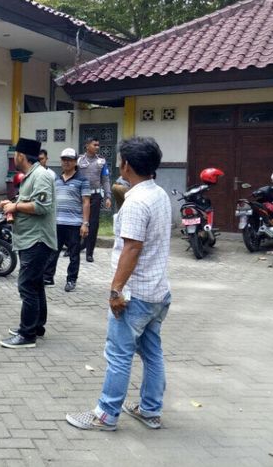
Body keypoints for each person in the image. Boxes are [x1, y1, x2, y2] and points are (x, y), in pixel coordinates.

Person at [66, 137, 171, 431]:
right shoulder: (159, 194)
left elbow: (132, 248)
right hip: (158, 292)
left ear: (127, 165)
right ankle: (150, 410)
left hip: (135, 295)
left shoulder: (137, 202)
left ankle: (106, 414)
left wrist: (116, 291)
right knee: (152, 352)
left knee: (119, 354)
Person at [0, 138, 57, 349]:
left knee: (27, 286)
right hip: (29, 238)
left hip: (37, 240)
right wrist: (12, 204)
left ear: (21, 155)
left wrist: (15, 208)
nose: (14, 157)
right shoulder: (31, 176)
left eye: (15, 154)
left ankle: (27, 334)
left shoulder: (40, 175)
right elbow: (28, 202)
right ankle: (36, 326)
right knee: (36, 284)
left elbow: (41, 206)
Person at [42, 148, 90, 292]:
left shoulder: (82, 180)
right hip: (57, 222)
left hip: (74, 224)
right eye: (64, 159)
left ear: (75, 162)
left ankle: (71, 280)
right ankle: (47, 277)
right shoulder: (56, 179)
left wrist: (85, 223)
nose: (66, 162)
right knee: (52, 252)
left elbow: (86, 202)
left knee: (74, 255)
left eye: (69, 159)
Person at [78, 137, 112, 262]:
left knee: (93, 224)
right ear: (87, 146)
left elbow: (105, 180)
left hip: (95, 196)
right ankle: (75, 247)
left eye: (98, 145)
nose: (97, 147)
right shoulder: (79, 160)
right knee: (78, 222)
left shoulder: (101, 161)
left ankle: (89, 252)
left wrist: (108, 196)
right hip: (80, 195)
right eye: (94, 145)